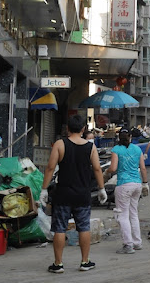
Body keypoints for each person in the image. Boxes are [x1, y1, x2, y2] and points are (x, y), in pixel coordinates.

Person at [40, 115, 107, 273]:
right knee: (84, 228)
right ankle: (85, 262)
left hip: (63, 194)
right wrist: (102, 188)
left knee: (60, 229)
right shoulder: (90, 147)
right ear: (83, 129)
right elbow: (97, 169)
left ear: (67, 129)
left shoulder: (60, 144)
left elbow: (50, 168)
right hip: (82, 194)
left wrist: (44, 189)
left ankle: (58, 264)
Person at [104, 129, 148, 255]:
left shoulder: (116, 150)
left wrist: (106, 173)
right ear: (130, 137)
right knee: (133, 214)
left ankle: (128, 245)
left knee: (122, 215)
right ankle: (137, 242)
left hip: (123, 185)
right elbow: (143, 168)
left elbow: (113, 168)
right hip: (137, 184)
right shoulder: (137, 149)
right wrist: (145, 183)